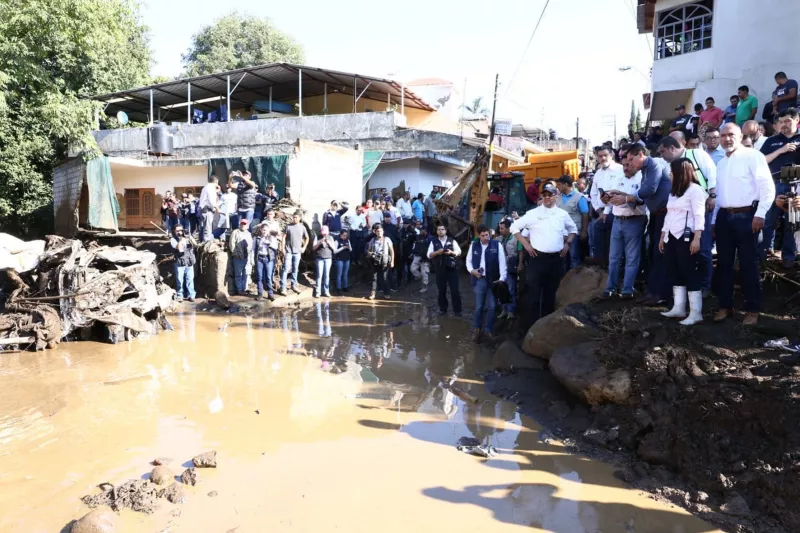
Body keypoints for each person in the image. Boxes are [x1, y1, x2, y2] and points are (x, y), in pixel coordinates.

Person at [712, 123, 775, 325]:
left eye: (731, 134)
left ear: (740, 136)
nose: (726, 139)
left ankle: (752, 309)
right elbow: (719, 194)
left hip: (748, 216)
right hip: (724, 217)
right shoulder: (721, 163)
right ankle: (725, 306)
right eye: (723, 135)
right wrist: (714, 220)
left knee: (749, 264)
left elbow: (767, 187)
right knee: (724, 264)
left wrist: (761, 214)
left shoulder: (753, 156)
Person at [658, 134, 717, 295]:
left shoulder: (696, 154)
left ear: (672, 148)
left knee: (703, 248)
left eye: (663, 152)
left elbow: (712, 174)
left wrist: (712, 196)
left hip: (702, 206)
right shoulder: (672, 166)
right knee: (682, 255)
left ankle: (704, 285)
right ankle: (683, 292)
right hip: (682, 214)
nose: (662, 156)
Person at [511, 182, 577, 326]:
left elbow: (573, 229)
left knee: (551, 293)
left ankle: (548, 325)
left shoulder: (562, 214)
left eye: (550, 195)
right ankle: (531, 326)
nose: (547, 197)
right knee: (533, 293)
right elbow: (514, 227)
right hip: (537, 258)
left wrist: (567, 244)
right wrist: (526, 244)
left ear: (556, 196)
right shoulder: (533, 214)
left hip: (556, 259)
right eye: (544, 195)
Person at [659, 159, 707, 325]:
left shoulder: (695, 190)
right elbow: (669, 215)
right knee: (674, 270)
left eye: (672, 172)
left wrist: (697, 239)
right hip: (671, 236)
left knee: (689, 271)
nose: (670, 175)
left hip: (687, 237)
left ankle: (696, 313)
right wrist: (663, 235)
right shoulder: (674, 192)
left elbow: (699, 215)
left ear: (680, 172)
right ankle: (679, 308)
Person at [625, 143, 673, 304]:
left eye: (631, 160)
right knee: (653, 253)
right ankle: (653, 291)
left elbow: (650, 189)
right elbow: (644, 194)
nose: (630, 164)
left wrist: (629, 198)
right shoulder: (645, 169)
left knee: (660, 253)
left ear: (640, 154)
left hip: (665, 215)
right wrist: (631, 198)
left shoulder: (655, 164)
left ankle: (661, 294)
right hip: (656, 215)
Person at [600, 158, 647, 300]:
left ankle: (627, 289)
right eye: (624, 165)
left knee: (632, 257)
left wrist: (624, 197)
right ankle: (610, 288)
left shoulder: (642, 179)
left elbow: (641, 201)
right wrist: (606, 199)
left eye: (629, 165)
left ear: (635, 165)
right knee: (613, 257)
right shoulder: (618, 178)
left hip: (634, 220)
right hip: (617, 219)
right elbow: (610, 202)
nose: (625, 168)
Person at [759, 108, 800, 267]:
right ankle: (764, 252)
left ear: (797, 120)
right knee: (768, 219)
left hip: (797, 184)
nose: (784, 125)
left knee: (792, 222)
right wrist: (781, 150)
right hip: (774, 183)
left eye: (788, 121)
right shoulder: (771, 141)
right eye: (781, 122)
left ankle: (788, 256)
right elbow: (761, 161)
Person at [466, 224, 506, 342]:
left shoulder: (497, 245)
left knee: (492, 306)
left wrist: (502, 279)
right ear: (479, 235)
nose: (485, 238)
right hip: (479, 279)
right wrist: (472, 271)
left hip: (493, 280)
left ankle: (488, 329)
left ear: (490, 234)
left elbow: (502, 263)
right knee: (479, 306)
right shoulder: (474, 245)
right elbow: (468, 261)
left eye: (487, 235)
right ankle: (477, 329)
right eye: (482, 235)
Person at [589, 145, 623, 264]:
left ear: (612, 155)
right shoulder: (598, 173)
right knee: (598, 233)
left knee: (612, 242)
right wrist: (599, 211)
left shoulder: (620, 169)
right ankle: (600, 264)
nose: (603, 158)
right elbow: (593, 194)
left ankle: (611, 265)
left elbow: (619, 191)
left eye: (605, 155)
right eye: (600, 156)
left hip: (617, 210)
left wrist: (606, 211)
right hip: (601, 212)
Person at [427, 223, 462, 316]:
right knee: (441, 291)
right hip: (439, 270)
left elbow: (459, 252)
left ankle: (457, 310)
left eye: (442, 229)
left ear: (445, 231)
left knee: (454, 290)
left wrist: (451, 252)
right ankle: (443, 309)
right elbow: (429, 255)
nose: (440, 231)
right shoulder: (433, 241)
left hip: (452, 269)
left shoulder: (452, 240)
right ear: (437, 231)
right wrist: (437, 252)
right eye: (439, 229)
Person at [556, 175, 589, 269]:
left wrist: (584, 231)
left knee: (574, 257)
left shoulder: (579, 197)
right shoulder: (558, 198)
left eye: (559, 185)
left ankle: (575, 276)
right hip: (561, 233)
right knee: (563, 258)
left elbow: (585, 214)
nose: (557, 187)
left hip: (574, 233)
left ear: (566, 184)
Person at [498, 218, 522, 320]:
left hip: (511, 267)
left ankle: (511, 311)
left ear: (508, 229)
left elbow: (520, 251)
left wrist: (520, 264)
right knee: (502, 289)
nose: (500, 230)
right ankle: (504, 310)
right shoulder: (499, 239)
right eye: (500, 228)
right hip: (502, 268)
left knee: (511, 289)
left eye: (502, 228)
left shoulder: (516, 238)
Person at [279, 211, 309, 295]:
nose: (294, 219)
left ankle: (294, 285)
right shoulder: (288, 226)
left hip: (297, 252)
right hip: (289, 251)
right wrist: (283, 248)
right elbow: (284, 237)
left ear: (299, 218)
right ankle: (283, 287)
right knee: (285, 269)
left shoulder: (302, 227)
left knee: (295, 269)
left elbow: (307, 238)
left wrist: (304, 247)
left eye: (296, 217)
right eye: (293, 217)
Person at [253, 214, 279, 301]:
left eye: (266, 230)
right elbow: (253, 249)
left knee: (268, 277)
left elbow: (275, 247)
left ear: (268, 231)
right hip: (259, 258)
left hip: (268, 259)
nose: (264, 231)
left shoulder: (271, 237)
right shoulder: (257, 238)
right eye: (263, 230)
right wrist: (253, 259)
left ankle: (270, 294)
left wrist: (270, 243)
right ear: (261, 230)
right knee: (259, 277)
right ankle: (260, 294)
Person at [367, 223, 394, 300]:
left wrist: (392, 261)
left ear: (383, 231)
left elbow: (392, 251)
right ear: (375, 232)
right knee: (374, 277)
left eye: (381, 231)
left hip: (384, 261)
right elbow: (369, 250)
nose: (379, 233)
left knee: (385, 277)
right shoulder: (372, 240)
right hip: (375, 261)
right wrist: (370, 254)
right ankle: (373, 293)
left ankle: (386, 293)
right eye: (378, 231)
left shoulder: (387, 239)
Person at [170, 224, 196, 302]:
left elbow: (195, 244)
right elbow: (179, 248)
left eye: (181, 230)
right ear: (174, 231)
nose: (179, 232)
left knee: (190, 280)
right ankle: (180, 295)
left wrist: (190, 237)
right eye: (177, 231)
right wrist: (181, 239)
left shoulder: (187, 238)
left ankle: (191, 295)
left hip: (189, 262)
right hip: (179, 263)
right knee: (179, 280)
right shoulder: (173, 239)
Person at [229, 218, 253, 295]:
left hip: (246, 257)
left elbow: (251, 245)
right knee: (238, 274)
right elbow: (232, 244)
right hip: (238, 257)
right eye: (242, 224)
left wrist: (249, 254)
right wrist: (236, 254)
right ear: (240, 224)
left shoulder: (248, 234)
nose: (243, 225)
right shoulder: (235, 232)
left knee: (245, 273)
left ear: (247, 225)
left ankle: (244, 288)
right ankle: (239, 290)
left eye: (244, 224)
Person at [313, 225, 337, 298]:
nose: (324, 235)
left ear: (328, 232)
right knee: (319, 275)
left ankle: (326, 291)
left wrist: (329, 243)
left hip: (328, 258)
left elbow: (334, 249)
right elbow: (313, 248)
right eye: (323, 233)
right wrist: (320, 242)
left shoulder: (331, 237)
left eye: (326, 233)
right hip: (319, 258)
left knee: (326, 275)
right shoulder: (317, 237)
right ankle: (318, 292)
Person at [382, 212, 402, 289]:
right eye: (386, 217)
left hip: (392, 248)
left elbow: (398, 238)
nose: (387, 219)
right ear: (384, 218)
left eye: (388, 217)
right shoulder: (381, 227)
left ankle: (393, 283)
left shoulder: (394, 227)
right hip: (383, 249)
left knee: (393, 266)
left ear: (390, 218)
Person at [410, 223, 432, 292]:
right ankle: (421, 279)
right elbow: (415, 246)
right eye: (420, 230)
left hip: (425, 258)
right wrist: (413, 253)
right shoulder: (418, 237)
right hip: (417, 256)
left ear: (425, 230)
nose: (420, 231)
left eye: (422, 230)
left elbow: (431, 249)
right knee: (413, 269)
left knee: (424, 272)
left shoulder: (430, 238)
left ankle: (425, 286)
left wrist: (428, 257)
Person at [199, 176, 220, 241]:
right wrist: (217, 208)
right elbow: (212, 201)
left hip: (204, 210)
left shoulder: (206, 187)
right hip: (207, 210)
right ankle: (207, 243)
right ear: (216, 181)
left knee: (205, 227)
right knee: (207, 228)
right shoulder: (210, 188)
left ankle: (204, 241)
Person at [334, 229, 352, 293]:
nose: (345, 237)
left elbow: (351, 250)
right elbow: (335, 251)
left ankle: (345, 287)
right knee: (339, 274)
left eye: (346, 235)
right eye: (344, 235)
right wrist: (343, 247)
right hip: (339, 259)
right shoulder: (337, 241)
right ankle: (338, 288)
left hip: (347, 259)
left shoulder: (348, 240)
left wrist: (349, 247)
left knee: (345, 274)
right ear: (340, 235)